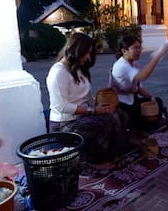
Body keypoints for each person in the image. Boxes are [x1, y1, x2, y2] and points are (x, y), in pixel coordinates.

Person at [46, 32, 120, 169]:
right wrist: (93, 111)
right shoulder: (58, 72)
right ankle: (93, 160)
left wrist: (102, 107)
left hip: (81, 115)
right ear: (76, 50)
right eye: (86, 53)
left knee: (116, 115)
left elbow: (87, 97)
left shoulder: (79, 69)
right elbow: (61, 106)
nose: (87, 57)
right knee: (104, 124)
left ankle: (110, 153)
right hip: (64, 123)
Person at [110, 36, 168, 131]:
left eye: (139, 47)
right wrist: (158, 55)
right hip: (120, 104)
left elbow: (139, 88)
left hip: (131, 100)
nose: (138, 51)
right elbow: (143, 75)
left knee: (157, 101)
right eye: (135, 48)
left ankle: (149, 128)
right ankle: (143, 131)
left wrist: (151, 97)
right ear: (124, 51)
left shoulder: (133, 65)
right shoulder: (121, 65)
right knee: (140, 110)